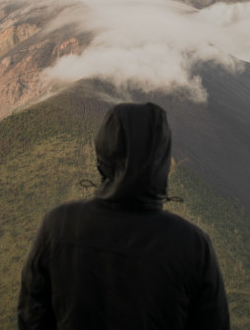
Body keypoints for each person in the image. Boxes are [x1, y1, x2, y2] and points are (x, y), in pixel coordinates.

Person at [17, 101, 230, 330]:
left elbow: (32, 318)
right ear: (162, 159)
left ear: (103, 151)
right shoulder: (191, 245)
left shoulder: (58, 227)